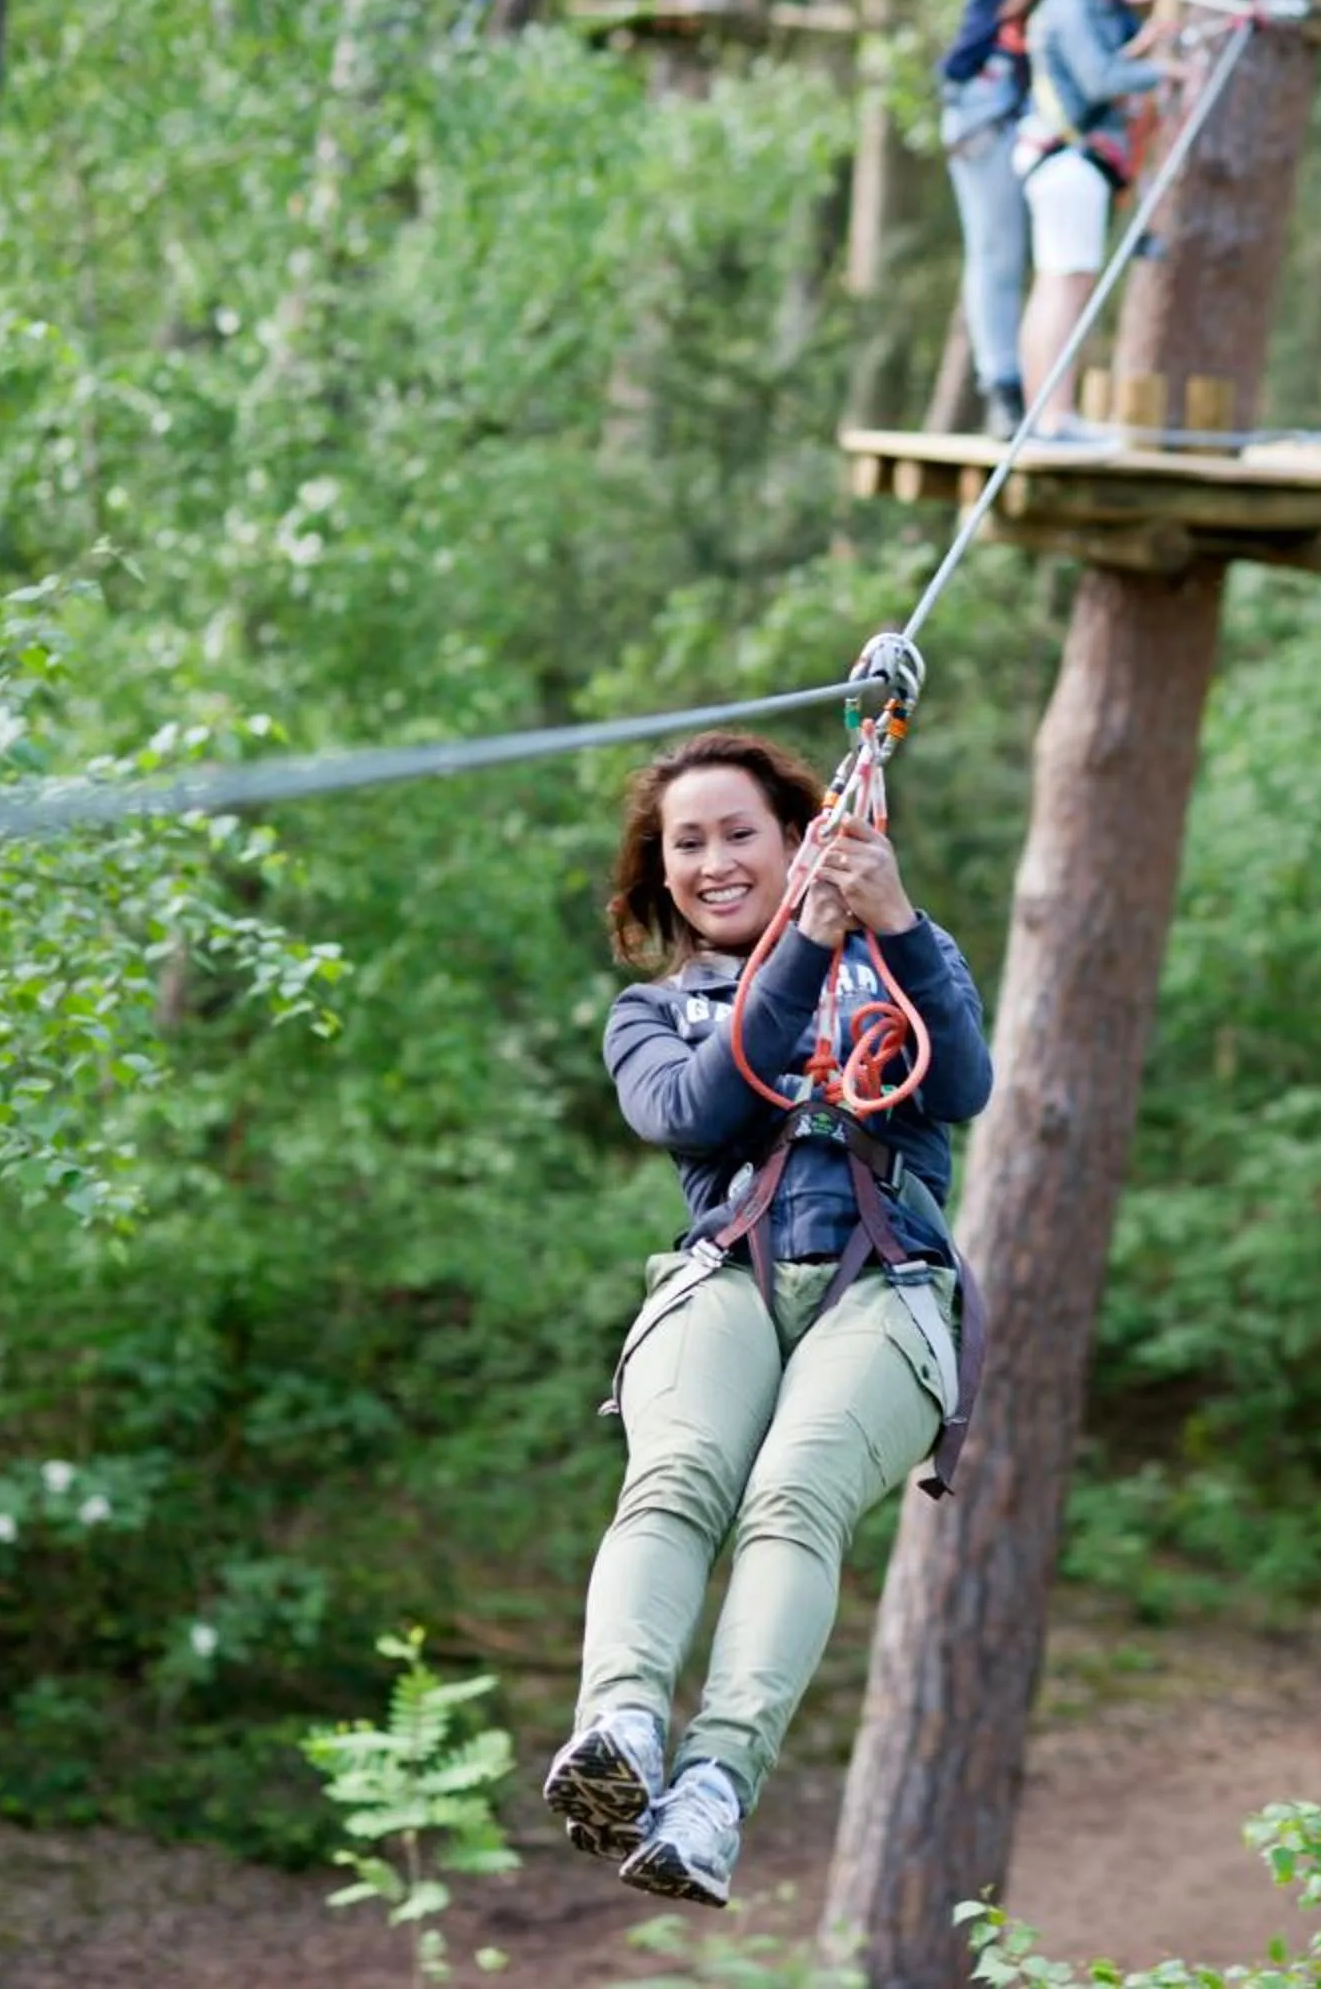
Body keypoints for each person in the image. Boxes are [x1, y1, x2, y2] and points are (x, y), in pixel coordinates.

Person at [544, 730, 994, 1907]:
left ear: (800, 839)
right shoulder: (651, 1016)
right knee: (680, 1470)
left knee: (794, 1495)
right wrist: (806, 941)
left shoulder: (907, 958)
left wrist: (889, 923)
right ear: (661, 874)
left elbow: (960, 1088)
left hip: (884, 1276)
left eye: (739, 832)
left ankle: (713, 1789)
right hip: (727, 1274)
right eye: (685, 843)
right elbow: (705, 1107)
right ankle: (623, 1727)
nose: (713, 859)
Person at [1013, 0, 1168, 436]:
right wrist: (1164, 71)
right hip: (1069, 164)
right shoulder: (1072, 5)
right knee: (1066, 291)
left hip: (1058, 163)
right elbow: (1099, 79)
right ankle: (1056, 415)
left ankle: (1045, 413)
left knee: (1054, 288)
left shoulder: (1072, 7)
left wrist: (1137, 52)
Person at [940, 0, 1033, 436]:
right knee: (997, 254)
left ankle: (1028, 385)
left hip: (1025, 108)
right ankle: (1002, 385)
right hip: (986, 107)